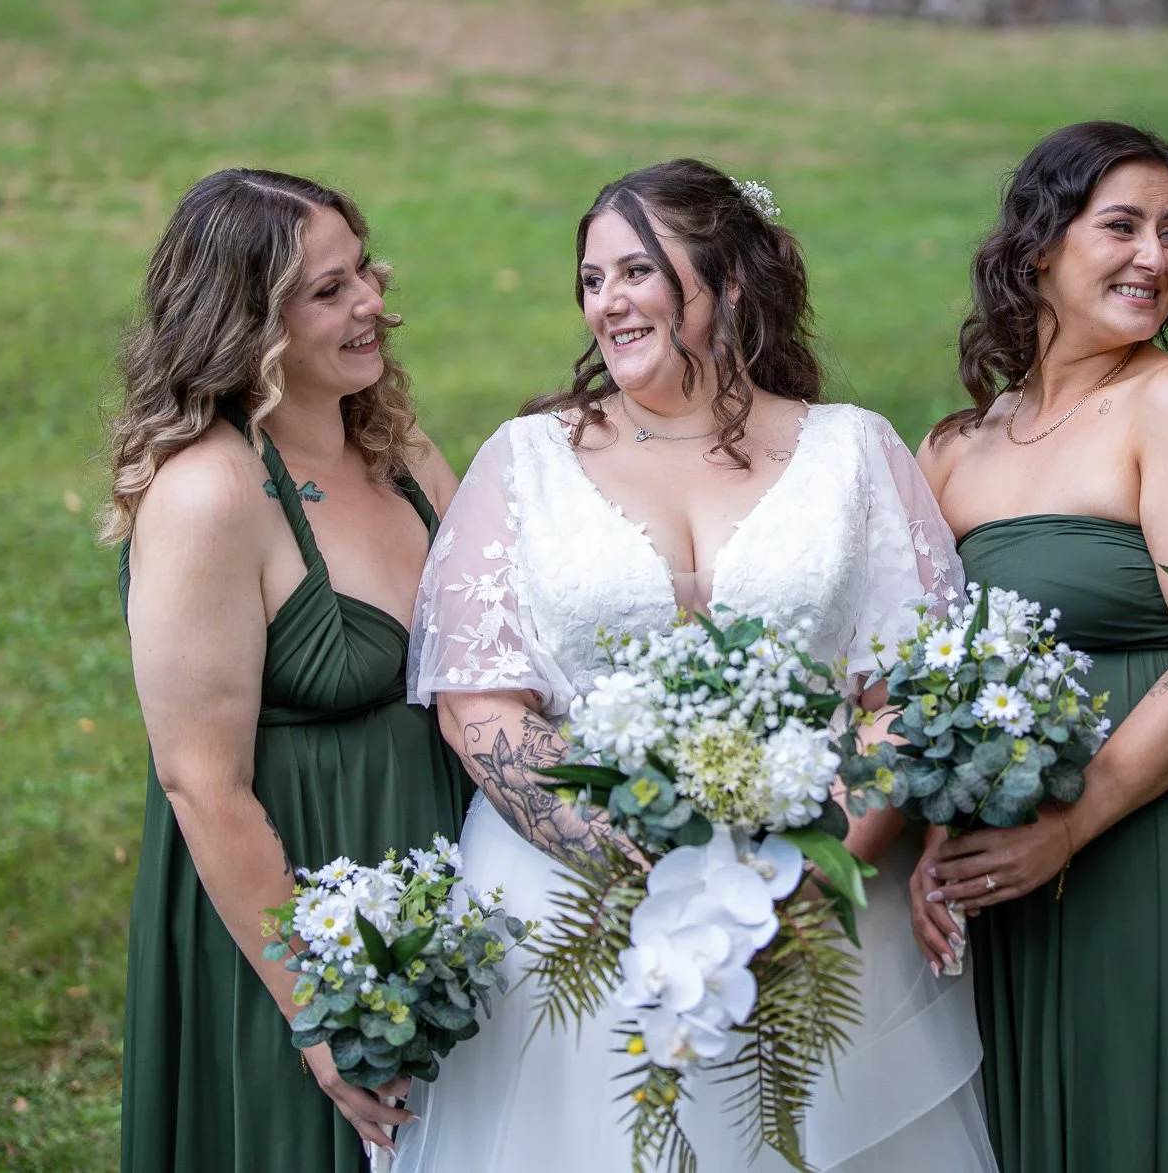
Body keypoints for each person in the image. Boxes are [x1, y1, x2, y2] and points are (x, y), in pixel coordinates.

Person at [392, 160, 996, 1173]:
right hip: (572, 916)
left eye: (636, 271)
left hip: (826, 915)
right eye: (591, 278)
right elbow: (479, 703)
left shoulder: (853, 452)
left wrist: (811, 864)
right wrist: (611, 848)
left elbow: (909, 695)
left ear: (727, 282)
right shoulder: (526, 460)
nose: (607, 301)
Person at [915, 120, 1168, 1173]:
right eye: (1122, 226)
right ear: (1040, 246)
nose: (1155, 257)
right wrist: (925, 838)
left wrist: (1072, 822)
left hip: (1158, 834)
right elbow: (916, 674)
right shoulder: (957, 445)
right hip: (1004, 857)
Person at [110, 169, 467, 1172]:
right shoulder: (209, 498)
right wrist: (322, 1012)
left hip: (443, 890)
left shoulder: (401, 452)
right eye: (329, 291)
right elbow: (201, 781)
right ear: (243, 323)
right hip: (293, 911)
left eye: (365, 273)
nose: (372, 307)